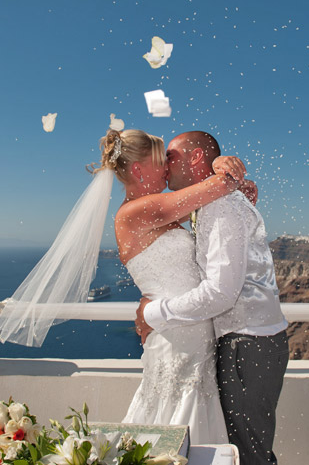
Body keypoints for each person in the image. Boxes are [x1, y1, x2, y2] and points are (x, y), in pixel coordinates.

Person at [92, 128, 255, 445]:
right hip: (175, 338)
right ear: (139, 169)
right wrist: (221, 164)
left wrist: (233, 180)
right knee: (175, 426)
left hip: (187, 333)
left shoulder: (162, 210)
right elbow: (219, 184)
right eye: (161, 160)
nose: (168, 167)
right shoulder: (136, 212)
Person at [135, 131, 289, 465]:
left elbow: (221, 292)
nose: (165, 163)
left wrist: (154, 314)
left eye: (172, 155)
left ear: (194, 158)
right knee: (248, 446)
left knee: (247, 453)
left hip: (246, 344)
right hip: (248, 341)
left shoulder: (219, 205)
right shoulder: (215, 199)